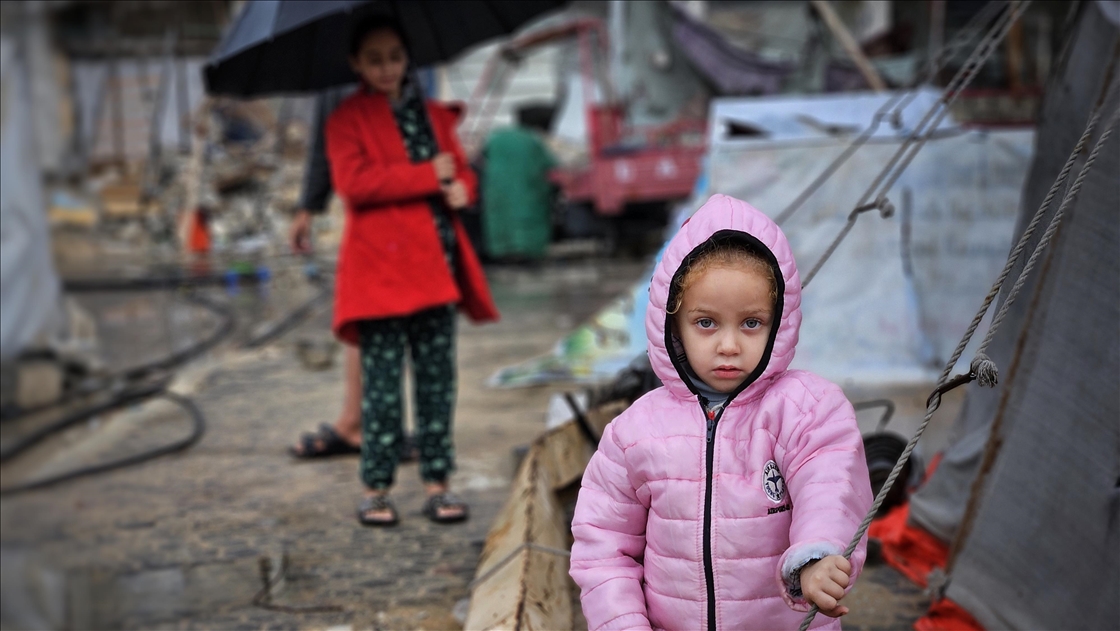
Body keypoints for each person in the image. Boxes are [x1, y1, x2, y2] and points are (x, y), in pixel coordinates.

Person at [569, 194, 873, 629]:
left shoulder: (807, 410)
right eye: (706, 322)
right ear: (673, 324)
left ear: (778, 321)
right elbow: (603, 546)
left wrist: (817, 555)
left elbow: (831, 488)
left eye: (751, 322)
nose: (729, 345)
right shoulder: (635, 432)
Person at [324, 16, 499, 526]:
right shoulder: (345, 119)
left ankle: (438, 483)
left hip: (435, 272)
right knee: (380, 389)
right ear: (357, 63)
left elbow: (459, 169)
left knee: (438, 383)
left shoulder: (433, 116)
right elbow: (354, 185)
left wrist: (464, 187)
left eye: (395, 57)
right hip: (379, 275)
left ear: (408, 59)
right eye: (375, 59)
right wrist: (429, 175)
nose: (386, 68)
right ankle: (375, 488)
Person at [480, 104, 557, 262]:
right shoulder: (532, 140)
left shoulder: (497, 136)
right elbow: (552, 167)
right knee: (526, 223)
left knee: (498, 222)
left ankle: (501, 251)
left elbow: (481, 159)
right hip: (527, 193)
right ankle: (525, 252)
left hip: (496, 191)